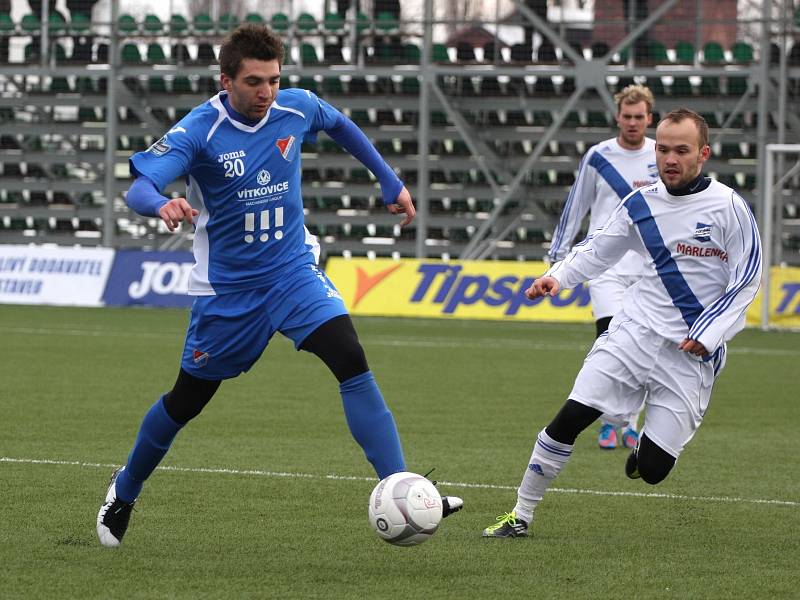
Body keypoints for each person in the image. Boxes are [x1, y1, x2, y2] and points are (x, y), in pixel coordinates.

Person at [96, 24, 463, 548]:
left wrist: (389, 180)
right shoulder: (200, 130)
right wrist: (162, 204)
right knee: (186, 401)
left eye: (272, 79)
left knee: (350, 358)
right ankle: (125, 489)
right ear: (226, 81)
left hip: (292, 271)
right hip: (229, 294)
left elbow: (340, 123)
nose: (266, 92)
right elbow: (140, 185)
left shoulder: (295, 107)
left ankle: (402, 488)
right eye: (253, 82)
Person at [483, 108, 761, 538]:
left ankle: (644, 450)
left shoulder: (730, 208)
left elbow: (748, 280)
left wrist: (708, 334)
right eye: (663, 149)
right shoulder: (641, 202)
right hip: (633, 334)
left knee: (652, 471)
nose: (669, 159)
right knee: (569, 419)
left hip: (688, 357)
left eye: (681, 150)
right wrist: (557, 277)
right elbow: (597, 248)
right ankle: (519, 515)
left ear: (703, 153)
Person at [548, 84, 660, 451]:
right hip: (605, 266)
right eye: (626, 117)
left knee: (643, 347)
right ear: (618, 117)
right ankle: (607, 423)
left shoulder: (661, 155)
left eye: (638, 117)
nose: (632, 122)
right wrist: (557, 259)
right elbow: (575, 205)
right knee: (610, 340)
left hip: (648, 267)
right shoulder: (598, 156)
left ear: (649, 118)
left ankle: (628, 422)